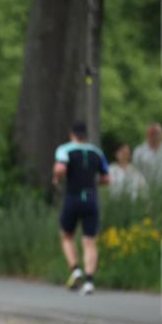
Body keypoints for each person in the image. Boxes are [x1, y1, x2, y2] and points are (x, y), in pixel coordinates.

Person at [52, 122, 110, 296]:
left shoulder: (64, 149)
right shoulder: (97, 152)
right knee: (89, 241)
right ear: (86, 135)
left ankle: (75, 269)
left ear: (72, 134)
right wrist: (94, 182)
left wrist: (56, 178)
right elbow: (106, 178)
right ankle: (89, 281)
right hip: (91, 199)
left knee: (66, 235)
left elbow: (60, 167)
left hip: (73, 197)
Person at [132, 123, 162, 198]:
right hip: (145, 193)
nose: (155, 136)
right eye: (153, 134)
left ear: (161, 135)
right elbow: (135, 172)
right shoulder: (139, 151)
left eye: (157, 134)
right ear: (148, 135)